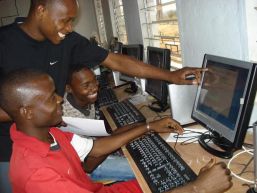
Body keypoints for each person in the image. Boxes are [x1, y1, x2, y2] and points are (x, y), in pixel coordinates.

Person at [0, 0, 205, 190]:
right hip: (11, 154)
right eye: (65, 20)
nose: (69, 28)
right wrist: (40, 111)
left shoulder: (66, 40)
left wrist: (170, 76)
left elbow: (114, 61)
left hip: (55, 139)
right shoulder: (4, 43)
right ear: (41, 10)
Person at [0, 69, 232, 193]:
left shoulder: (50, 134)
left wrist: (148, 126)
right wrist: (198, 189)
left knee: (175, 176)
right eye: (52, 97)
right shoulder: (37, 175)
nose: (60, 99)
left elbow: (97, 147)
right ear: (27, 112)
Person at [62, 66, 136, 182]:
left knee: (139, 149)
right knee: (142, 169)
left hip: (96, 149)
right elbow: (88, 166)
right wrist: (115, 138)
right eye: (86, 85)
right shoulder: (64, 118)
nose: (94, 88)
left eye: (95, 81)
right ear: (69, 88)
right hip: (87, 167)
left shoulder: (84, 98)